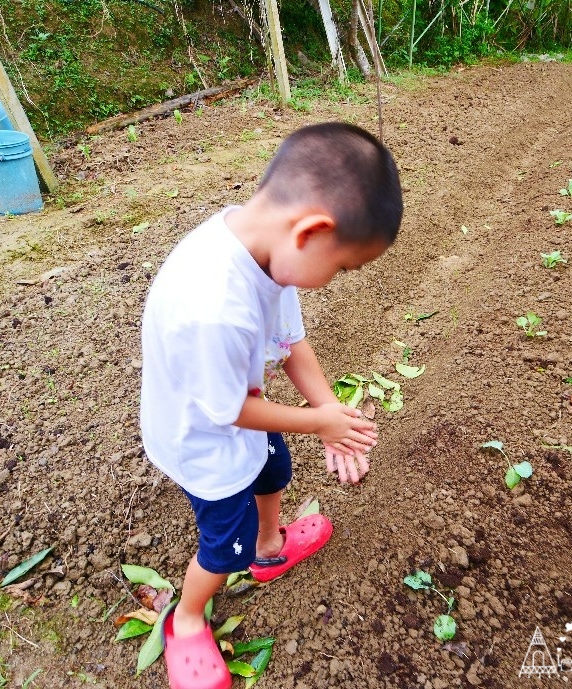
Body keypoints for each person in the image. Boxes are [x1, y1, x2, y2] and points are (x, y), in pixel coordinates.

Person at [139, 122, 403, 689]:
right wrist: (318, 422)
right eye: (341, 268)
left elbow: (290, 347)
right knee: (220, 546)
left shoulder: (265, 247)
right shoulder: (213, 304)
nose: (331, 282)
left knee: (275, 469)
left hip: (245, 419)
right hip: (206, 441)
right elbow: (226, 411)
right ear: (311, 232)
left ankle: (270, 546)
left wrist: (331, 415)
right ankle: (186, 620)